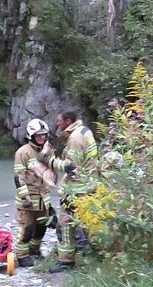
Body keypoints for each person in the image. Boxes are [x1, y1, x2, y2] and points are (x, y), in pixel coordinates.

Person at [38, 110, 98, 273]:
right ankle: (95, 253)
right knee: (87, 223)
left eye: (59, 121)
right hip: (88, 184)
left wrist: (47, 160)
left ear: (68, 120)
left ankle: (66, 261)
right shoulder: (85, 131)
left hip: (76, 189)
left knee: (65, 224)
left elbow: (71, 167)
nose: (57, 124)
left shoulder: (75, 138)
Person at [12, 119, 75, 268]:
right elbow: (18, 177)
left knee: (42, 227)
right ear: (31, 136)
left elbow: (51, 171)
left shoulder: (48, 150)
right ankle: (21, 255)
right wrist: (25, 197)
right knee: (27, 228)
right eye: (38, 135)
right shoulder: (23, 152)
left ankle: (34, 251)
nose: (41, 138)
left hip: (43, 198)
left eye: (44, 135)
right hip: (28, 198)